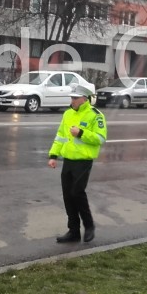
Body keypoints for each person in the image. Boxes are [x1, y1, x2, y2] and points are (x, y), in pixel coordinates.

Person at [47, 84, 107, 243]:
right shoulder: (67, 114)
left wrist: (81, 133)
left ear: (84, 99)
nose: (72, 100)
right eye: (71, 97)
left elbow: (100, 138)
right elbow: (60, 136)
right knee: (68, 196)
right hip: (68, 160)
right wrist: (53, 155)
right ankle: (73, 231)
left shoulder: (95, 115)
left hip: (83, 161)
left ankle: (89, 226)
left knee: (77, 193)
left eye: (75, 98)